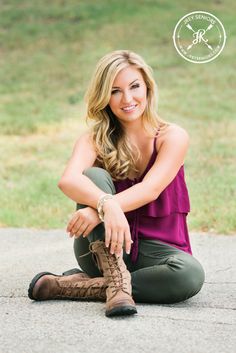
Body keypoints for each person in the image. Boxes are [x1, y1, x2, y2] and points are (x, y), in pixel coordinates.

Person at [28, 49, 205, 317]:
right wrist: (105, 205)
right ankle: (114, 280)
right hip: (100, 249)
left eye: (134, 86)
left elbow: (151, 189)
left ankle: (75, 287)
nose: (128, 98)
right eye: (115, 91)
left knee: (190, 275)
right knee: (94, 177)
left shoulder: (172, 136)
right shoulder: (93, 140)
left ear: (147, 86)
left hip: (157, 253)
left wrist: (99, 208)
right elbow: (68, 180)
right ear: (104, 97)